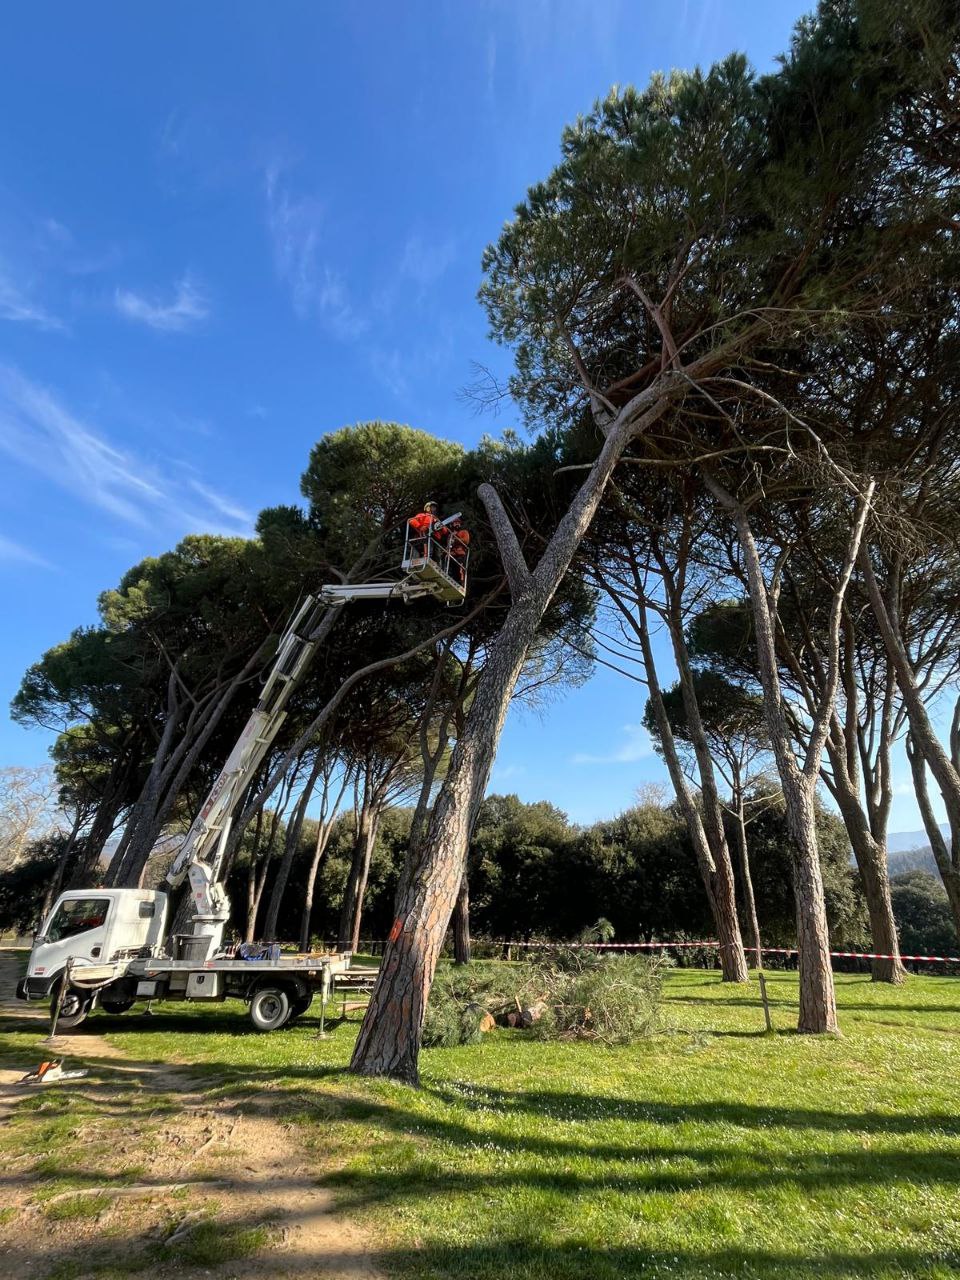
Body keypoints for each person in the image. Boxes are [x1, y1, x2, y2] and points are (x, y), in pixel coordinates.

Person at [447, 517, 470, 585]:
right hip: (452, 553)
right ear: (452, 524)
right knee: (451, 567)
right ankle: (451, 577)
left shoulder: (464, 532)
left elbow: (466, 541)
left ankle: (461, 582)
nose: (457, 524)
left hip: (460, 553)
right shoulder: (450, 535)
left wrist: (456, 539)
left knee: (460, 569)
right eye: (455, 523)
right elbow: (448, 544)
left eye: (458, 523)